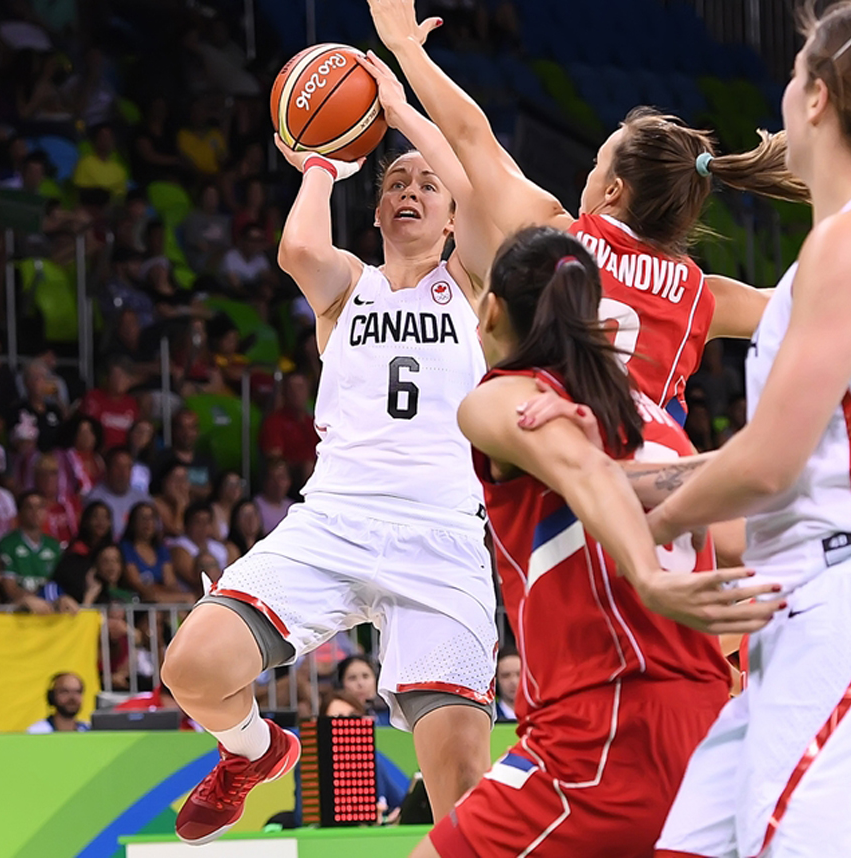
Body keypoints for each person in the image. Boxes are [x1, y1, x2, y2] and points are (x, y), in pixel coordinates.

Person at [487, 4, 851, 853]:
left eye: (794, 74)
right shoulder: (841, 245)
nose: (783, 90)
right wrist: (592, 478)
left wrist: (637, 524)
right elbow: (758, 462)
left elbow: (767, 463)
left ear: (818, 100)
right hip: (805, 606)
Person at [161, 65, 507, 844]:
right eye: (394, 184)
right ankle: (252, 753)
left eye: (427, 184)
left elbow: (484, 190)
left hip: (443, 541)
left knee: (461, 787)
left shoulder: (475, 283)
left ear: (451, 216)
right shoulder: (350, 287)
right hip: (335, 523)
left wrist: (400, 114)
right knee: (191, 669)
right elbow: (296, 248)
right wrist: (321, 161)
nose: (410, 191)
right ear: (378, 210)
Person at [423, 225, 772, 858]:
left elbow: (585, 472)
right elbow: (738, 537)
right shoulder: (659, 420)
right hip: (702, 727)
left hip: (601, 729)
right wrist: (749, 461)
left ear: (490, 308)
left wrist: (648, 575)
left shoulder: (506, 398)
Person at [368, 0, 805, 429]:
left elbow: (471, 136)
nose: (589, 175)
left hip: (554, 461)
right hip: (644, 472)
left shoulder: (563, 239)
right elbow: (808, 303)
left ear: (612, 190)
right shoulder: (704, 298)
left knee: (485, 409)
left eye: (596, 164)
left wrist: (406, 47)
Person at [85, 447, 155, 540]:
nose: (123, 473)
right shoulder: (94, 499)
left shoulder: (143, 499)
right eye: (118, 467)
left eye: (127, 467)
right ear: (108, 469)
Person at [494, 644, 519, 723]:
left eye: (519, 674)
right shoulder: (488, 717)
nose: (513, 681)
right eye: (506, 675)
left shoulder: (542, 716)